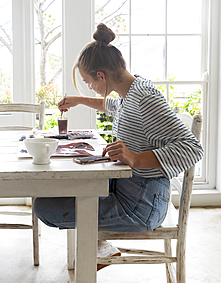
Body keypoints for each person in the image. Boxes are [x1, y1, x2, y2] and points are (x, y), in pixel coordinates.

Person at [33, 23, 204, 267]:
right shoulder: (130, 93)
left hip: (141, 206)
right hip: (124, 191)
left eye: (88, 83)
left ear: (101, 75)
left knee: (44, 207)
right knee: (53, 195)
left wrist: (134, 158)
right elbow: (114, 108)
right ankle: (100, 244)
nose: (90, 87)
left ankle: (98, 245)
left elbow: (192, 147)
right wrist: (80, 100)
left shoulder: (145, 98)